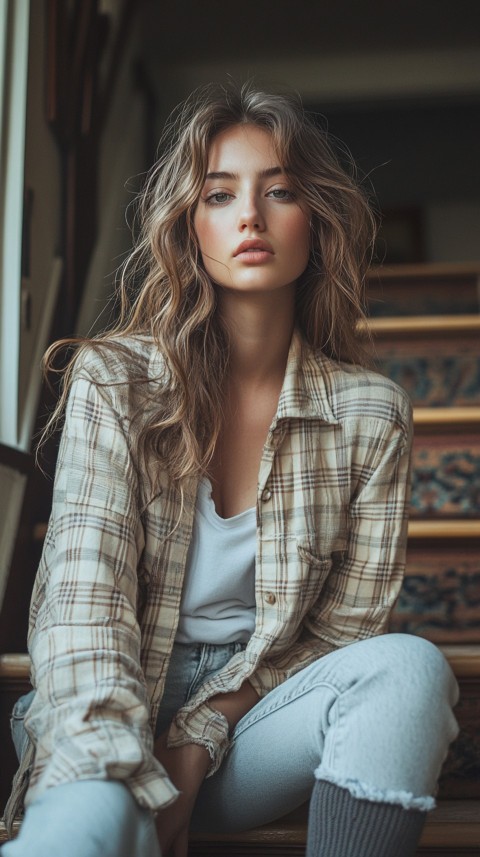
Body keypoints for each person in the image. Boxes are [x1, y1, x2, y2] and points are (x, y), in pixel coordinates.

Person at [2, 83, 458, 857]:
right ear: (189, 225)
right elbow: (85, 604)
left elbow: (343, 631)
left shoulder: (370, 414)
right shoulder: (114, 380)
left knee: (408, 670)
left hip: (258, 717)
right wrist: (130, 775)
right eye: (220, 194)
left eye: (278, 190)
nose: (250, 215)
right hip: (107, 696)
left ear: (314, 218)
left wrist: (201, 735)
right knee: (89, 821)